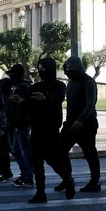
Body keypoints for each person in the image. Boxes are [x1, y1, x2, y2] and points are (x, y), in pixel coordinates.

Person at [28, 58, 75, 203]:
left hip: (51, 128)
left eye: (44, 68)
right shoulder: (36, 86)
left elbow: (59, 98)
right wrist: (21, 101)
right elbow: (28, 102)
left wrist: (46, 99)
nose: (41, 71)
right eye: (39, 67)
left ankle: (68, 179)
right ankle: (40, 192)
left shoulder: (59, 85)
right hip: (36, 127)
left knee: (53, 159)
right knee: (36, 161)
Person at [57, 56, 101, 193]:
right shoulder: (71, 82)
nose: (67, 71)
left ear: (77, 67)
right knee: (59, 150)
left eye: (70, 68)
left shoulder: (88, 82)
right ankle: (67, 178)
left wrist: (81, 120)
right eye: (66, 68)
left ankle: (95, 182)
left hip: (86, 124)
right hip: (70, 123)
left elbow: (90, 103)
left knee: (89, 153)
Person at [5, 64, 34, 188]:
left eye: (12, 73)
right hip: (16, 122)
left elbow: (24, 105)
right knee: (17, 150)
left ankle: (28, 177)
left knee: (24, 150)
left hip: (21, 122)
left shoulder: (23, 86)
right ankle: (24, 174)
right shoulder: (18, 85)